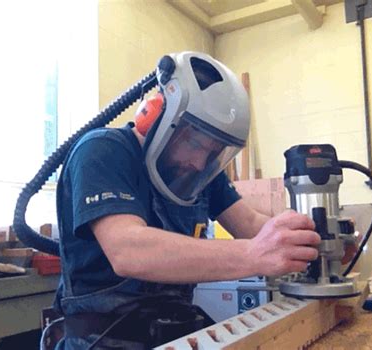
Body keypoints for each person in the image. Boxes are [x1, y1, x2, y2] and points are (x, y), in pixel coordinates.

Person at [52, 51, 321, 349]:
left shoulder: (200, 171)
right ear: (156, 116)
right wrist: (252, 255)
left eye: (212, 151)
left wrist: (306, 241)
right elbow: (127, 249)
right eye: (193, 142)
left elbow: (249, 222)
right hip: (101, 341)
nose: (198, 161)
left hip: (174, 335)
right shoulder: (102, 151)